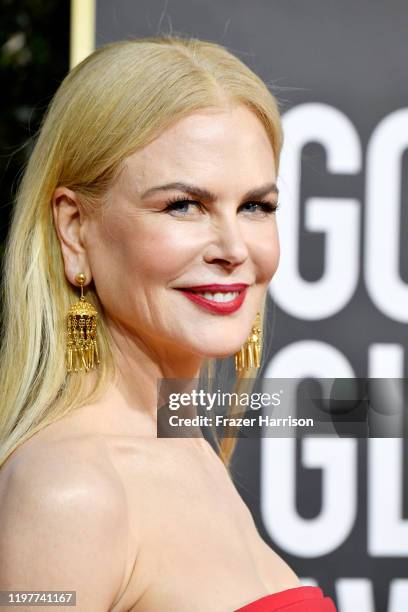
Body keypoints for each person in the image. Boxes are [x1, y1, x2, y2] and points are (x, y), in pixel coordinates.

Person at [0, 36, 336, 611]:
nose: (234, 247)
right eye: (184, 205)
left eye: (256, 206)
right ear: (75, 230)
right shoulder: (70, 493)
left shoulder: (183, 443)